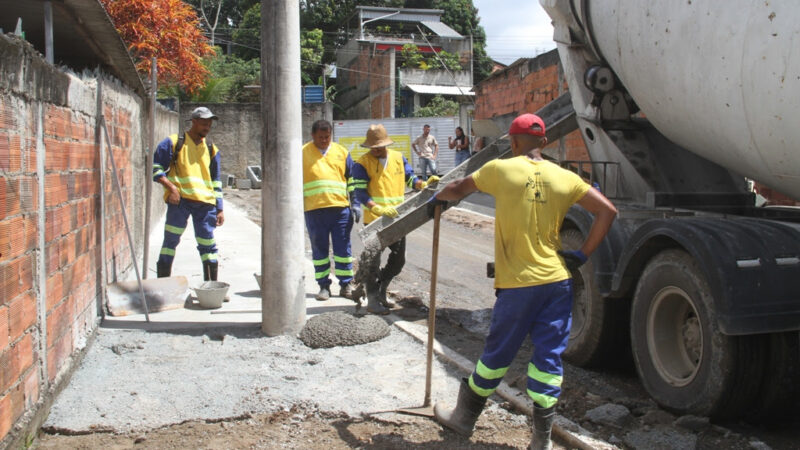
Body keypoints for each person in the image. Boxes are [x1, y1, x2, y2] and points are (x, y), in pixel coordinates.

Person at [430, 113, 617, 449]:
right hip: (558, 283)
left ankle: (463, 418)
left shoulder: (500, 170)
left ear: (514, 143)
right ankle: (541, 441)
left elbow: (458, 188)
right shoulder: (564, 177)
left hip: (518, 285)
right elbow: (608, 211)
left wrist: (437, 197)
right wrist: (584, 254)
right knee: (548, 361)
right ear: (544, 143)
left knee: (497, 356)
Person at [351, 124, 439, 314]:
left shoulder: (398, 158)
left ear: (386, 144)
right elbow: (360, 193)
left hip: (397, 219)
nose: (377, 150)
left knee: (398, 260)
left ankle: (382, 288)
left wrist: (422, 183)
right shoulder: (361, 164)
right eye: (373, 148)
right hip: (374, 221)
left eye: (380, 147)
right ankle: (373, 300)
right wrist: (378, 209)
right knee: (372, 262)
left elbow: (409, 179)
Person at [153, 106, 225, 282]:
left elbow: (216, 181)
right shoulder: (173, 142)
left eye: (209, 124)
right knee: (170, 242)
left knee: (208, 245)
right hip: (180, 203)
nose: (206, 127)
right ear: (193, 122)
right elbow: (155, 169)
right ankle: (163, 284)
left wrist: (220, 208)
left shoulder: (211, 149)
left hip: (205, 205)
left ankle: (211, 287)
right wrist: (172, 188)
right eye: (203, 123)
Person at [302, 120, 356, 301]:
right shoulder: (302, 153)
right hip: (314, 210)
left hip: (340, 209)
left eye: (327, 137)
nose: (324, 140)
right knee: (319, 250)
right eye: (320, 137)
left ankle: (346, 284)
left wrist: (355, 203)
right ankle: (324, 286)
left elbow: (352, 180)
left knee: (343, 249)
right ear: (313, 135)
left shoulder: (342, 152)